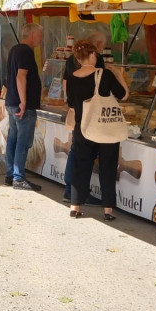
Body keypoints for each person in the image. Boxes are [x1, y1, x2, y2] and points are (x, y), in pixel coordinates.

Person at [66, 40, 128, 221]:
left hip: (82, 128)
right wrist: (118, 74)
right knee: (108, 168)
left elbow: (71, 104)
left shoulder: (71, 78)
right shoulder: (105, 74)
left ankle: (75, 207)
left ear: (77, 58)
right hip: (105, 128)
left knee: (81, 167)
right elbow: (123, 95)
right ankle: (108, 210)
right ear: (93, 54)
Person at [61, 30, 108, 203]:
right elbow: (103, 86)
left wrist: (71, 103)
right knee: (85, 154)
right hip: (92, 112)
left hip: (77, 110)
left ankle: (69, 189)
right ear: (96, 47)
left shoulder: (71, 60)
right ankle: (79, 193)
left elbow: (66, 84)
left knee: (75, 149)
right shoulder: (98, 60)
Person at [4, 22, 44, 191]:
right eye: (40, 36)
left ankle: (11, 174)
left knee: (13, 138)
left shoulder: (15, 49)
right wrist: (24, 101)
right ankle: (19, 178)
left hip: (11, 101)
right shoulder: (26, 51)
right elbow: (21, 76)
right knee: (23, 141)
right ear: (32, 35)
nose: (41, 40)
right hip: (21, 105)